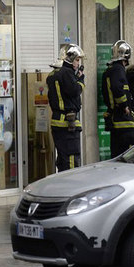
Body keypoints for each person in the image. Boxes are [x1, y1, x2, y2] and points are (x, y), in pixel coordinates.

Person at [46, 43, 85, 171]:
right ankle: (72, 187)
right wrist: (80, 80)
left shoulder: (52, 75)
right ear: (69, 59)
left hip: (56, 121)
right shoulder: (67, 73)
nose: (78, 63)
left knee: (62, 158)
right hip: (68, 123)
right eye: (77, 60)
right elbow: (74, 91)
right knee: (72, 158)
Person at [102, 40, 134, 158]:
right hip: (122, 118)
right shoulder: (118, 69)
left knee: (117, 153)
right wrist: (124, 105)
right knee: (128, 153)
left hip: (116, 118)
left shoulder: (111, 69)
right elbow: (117, 88)